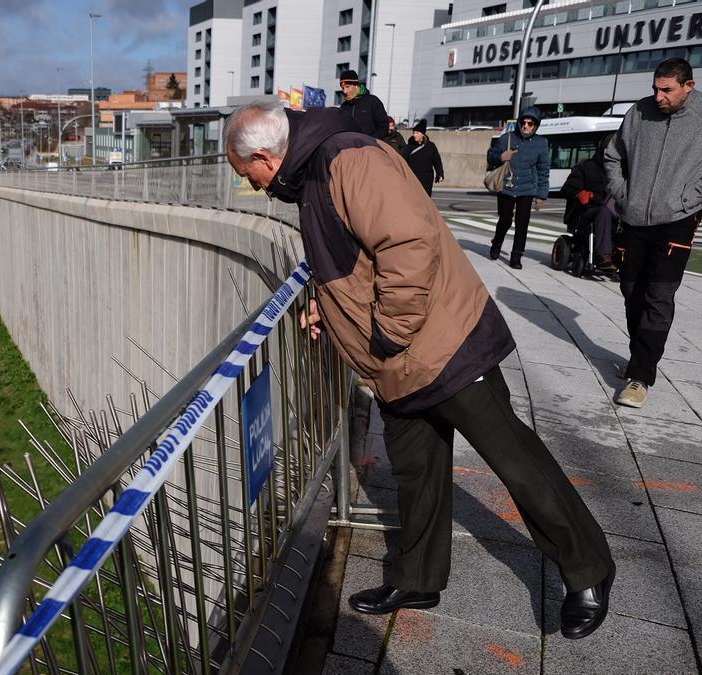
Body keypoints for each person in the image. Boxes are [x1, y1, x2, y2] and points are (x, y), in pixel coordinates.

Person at [223, 101, 614, 640]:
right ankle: (417, 577)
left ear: (265, 154)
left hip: (438, 343)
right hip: (401, 361)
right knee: (416, 469)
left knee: (514, 459)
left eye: (250, 175)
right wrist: (331, 309)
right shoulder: (316, 168)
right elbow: (353, 259)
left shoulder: (347, 159)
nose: (257, 188)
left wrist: (389, 332)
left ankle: (589, 570)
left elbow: (408, 244)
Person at [604, 57, 702, 409]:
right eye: (655, 88)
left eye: (667, 90)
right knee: (632, 291)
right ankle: (637, 361)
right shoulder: (638, 112)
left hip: (676, 220)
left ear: (688, 86)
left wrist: (689, 200)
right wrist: (623, 194)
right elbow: (613, 156)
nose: (659, 96)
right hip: (633, 218)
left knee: (658, 297)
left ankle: (641, 377)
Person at [486, 107, 549, 269]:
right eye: (524, 122)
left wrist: (541, 196)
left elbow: (543, 171)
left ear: (536, 126)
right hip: (507, 186)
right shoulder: (506, 138)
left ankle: (516, 256)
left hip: (527, 190)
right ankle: (497, 243)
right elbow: (490, 157)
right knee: (505, 220)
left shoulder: (541, 144)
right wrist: (501, 156)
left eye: (530, 123)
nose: (526, 126)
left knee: (522, 224)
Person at [562, 134, 618, 272]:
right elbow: (567, 189)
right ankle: (603, 256)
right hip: (588, 211)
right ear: (602, 149)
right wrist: (580, 193)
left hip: (615, 212)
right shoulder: (586, 167)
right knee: (603, 212)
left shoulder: (622, 172)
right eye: (608, 150)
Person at [338, 69, 388, 139]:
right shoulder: (344, 106)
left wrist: (370, 140)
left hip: (370, 146)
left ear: (356, 86)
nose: (345, 91)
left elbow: (384, 127)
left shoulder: (373, 101)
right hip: (348, 145)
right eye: (343, 88)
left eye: (347, 87)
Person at [404, 119, 444, 196]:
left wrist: (440, 173)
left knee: (426, 198)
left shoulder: (431, 146)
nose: (414, 135)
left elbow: (437, 161)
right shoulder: (409, 146)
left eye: (417, 133)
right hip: (413, 177)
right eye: (414, 133)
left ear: (423, 134)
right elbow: (403, 160)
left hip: (427, 178)